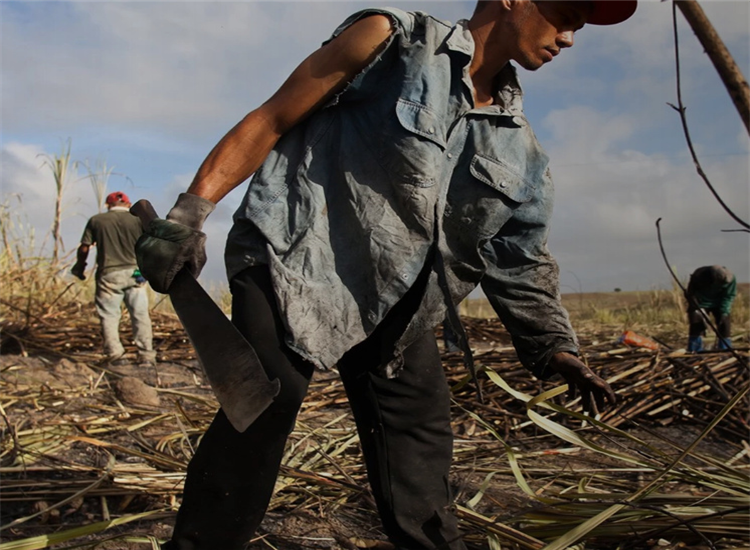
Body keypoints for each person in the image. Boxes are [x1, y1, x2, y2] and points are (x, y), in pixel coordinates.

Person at [136, 1, 635, 548]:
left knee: (419, 441)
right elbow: (274, 117)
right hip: (298, 259)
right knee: (261, 407)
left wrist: (556, 349)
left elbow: (520, 257)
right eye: (564, 13)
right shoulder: (392, 40)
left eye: (579, 26)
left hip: (398, 301)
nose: (568, 37)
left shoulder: (520, 149)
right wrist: (190, 214)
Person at [72, 191, 157, 366]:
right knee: (140, 315)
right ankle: (147, 356)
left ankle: (116, 355)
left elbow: (84, 248)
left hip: (109, 274)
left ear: (107, 205)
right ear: (128, 204)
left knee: (110, 315)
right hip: (136, 274)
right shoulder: (137, 220)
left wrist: (80, 267)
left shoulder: (97, 220)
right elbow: (151, 244)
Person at [685, 265, 737, 352]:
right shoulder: (699, 275)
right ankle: (695, 349)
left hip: (719, 303)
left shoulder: (731, 279)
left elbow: (728, 296)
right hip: (700, 303)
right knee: (696, 325)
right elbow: (691, 292)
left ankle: (725, 349)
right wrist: (697, 306)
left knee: (724, 325)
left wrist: (724, 312)